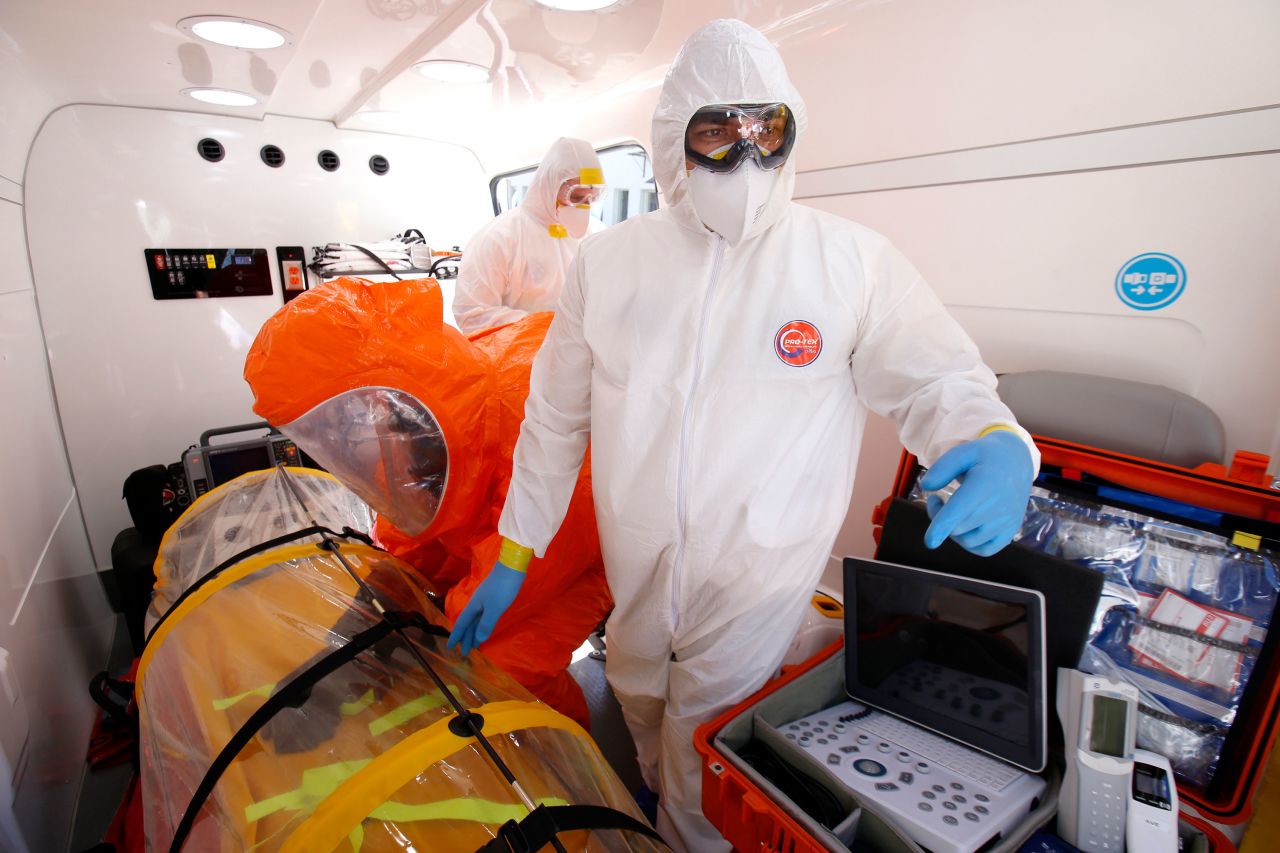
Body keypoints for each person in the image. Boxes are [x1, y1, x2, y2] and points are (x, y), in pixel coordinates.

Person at [447, 18, 1039, 852]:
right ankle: (661, 808)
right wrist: (515, 551)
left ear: (792, 130)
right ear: (672, 140)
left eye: (767, 128)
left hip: (760, 577)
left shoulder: (848, 263)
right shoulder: (608, 266)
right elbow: (554, 419)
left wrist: (995, 437)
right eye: (718, 130)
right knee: (643, 705)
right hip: (639, 575)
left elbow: (935, 373)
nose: (746, 154)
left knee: (703, 746)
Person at [452, 136, 607, 333]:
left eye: (591, 198)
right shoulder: (499, 238)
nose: (584, 206)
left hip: (576, 354)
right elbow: (472, 314)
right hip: (516, 357)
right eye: (576, 197)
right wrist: (544, 327)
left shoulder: (595, 234)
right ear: (550, 185)